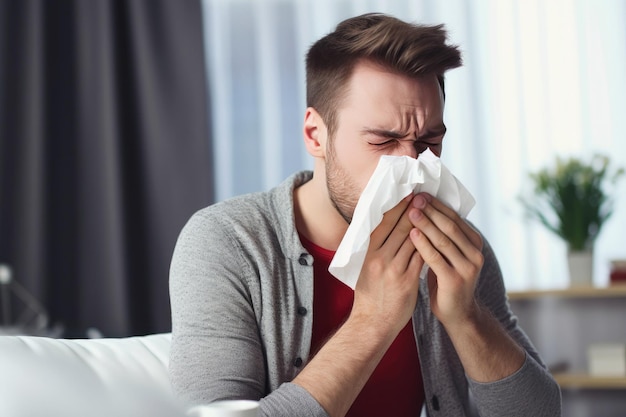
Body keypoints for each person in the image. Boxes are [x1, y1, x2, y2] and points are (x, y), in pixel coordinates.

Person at [169, 13, 561, 417]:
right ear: (314, 135)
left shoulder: (455, 249)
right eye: (383, 140)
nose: (411, 165)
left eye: (429, 141)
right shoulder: (227, 243)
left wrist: (467, 317)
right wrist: (373, 321)